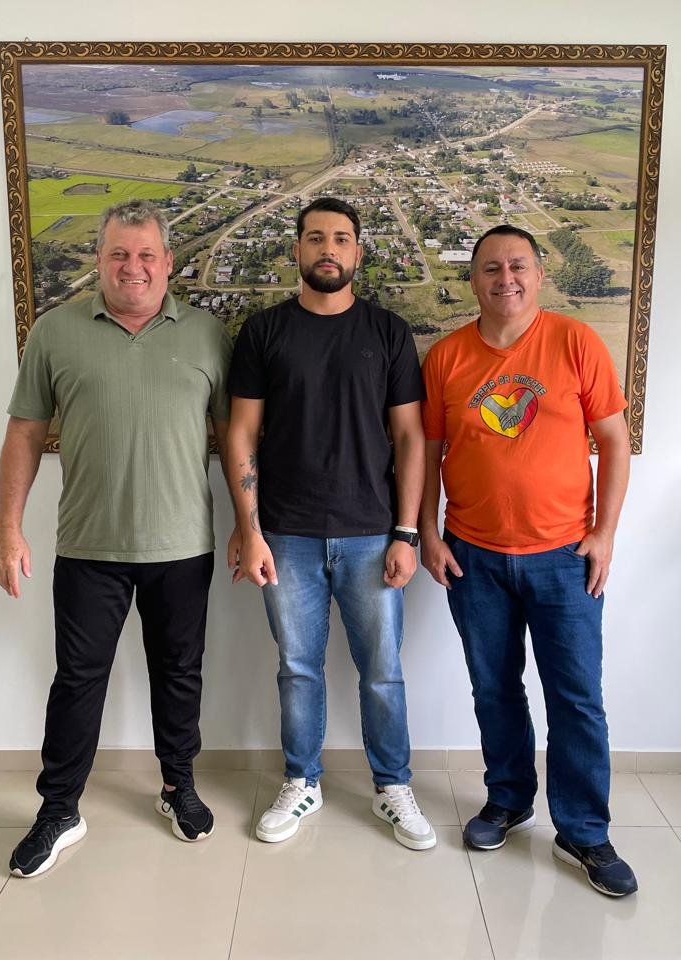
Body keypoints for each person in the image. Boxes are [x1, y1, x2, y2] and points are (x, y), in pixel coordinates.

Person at [0, 199, 232, 877]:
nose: (133, 267)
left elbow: (236, 437)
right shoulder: (55, 332)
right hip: (88, 548)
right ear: (99, 259)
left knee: (180, 673)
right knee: (78, 680)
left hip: (183, 545)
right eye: (119, 254)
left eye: (146, 254)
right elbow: (25, 433)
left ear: (168, 262)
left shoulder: (208, 335)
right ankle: (59, 809)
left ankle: (178, 786)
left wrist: (251, 526)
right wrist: (6, 528)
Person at [418, 224, 637, 896]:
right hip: (473, 556)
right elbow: (427, 452)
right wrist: (426, 531)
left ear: (539, 275)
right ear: (472, 280)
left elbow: (614, 441)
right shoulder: (447, 357)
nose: (504, 278)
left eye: (517, 266)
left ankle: (584, 831)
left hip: (565, 557)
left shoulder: (575, 342)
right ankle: (508, 800)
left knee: (576, 696)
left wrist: (605, 534)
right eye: (490, 268)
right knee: (494, 688)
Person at [225, 197, 435, 850]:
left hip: (372, 533)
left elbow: (411, 438)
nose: (328, 249)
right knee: (298, 668)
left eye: (341, 238)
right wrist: (249, 529)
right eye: (315, 238)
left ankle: (392, 785)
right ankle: (302, 780)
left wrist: (406, 533)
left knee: (384, 670)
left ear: (357, 254)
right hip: (285, 534)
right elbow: (241, 434)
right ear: (297, 250)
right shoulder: (263, 332)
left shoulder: (388, 332)